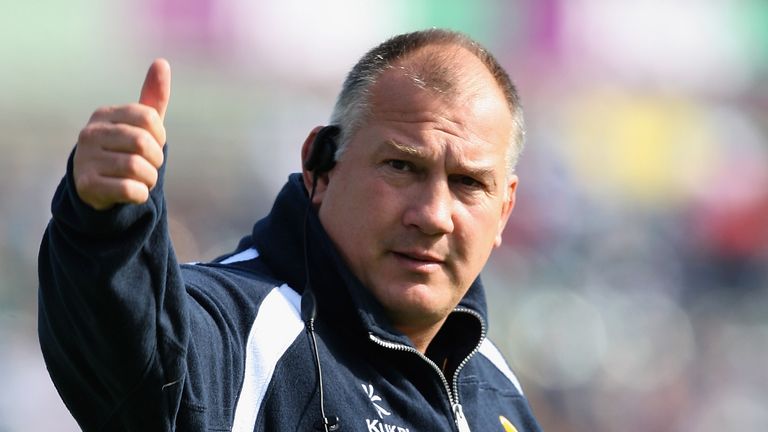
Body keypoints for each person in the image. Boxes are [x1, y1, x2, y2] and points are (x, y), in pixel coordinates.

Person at [38, 29, 542, 432]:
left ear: (504, 209)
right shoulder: (234, 330)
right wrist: (106, 225)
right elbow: (137, 353)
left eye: (469, 182)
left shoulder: (495, 387)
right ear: (319, 167)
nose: (433, 214)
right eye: (401, 166)